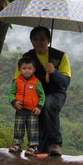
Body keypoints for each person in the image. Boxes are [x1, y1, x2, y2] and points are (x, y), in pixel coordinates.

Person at [15, 26, 71, 156]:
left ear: (49, 40)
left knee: (48, 105)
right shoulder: (27, 57)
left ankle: (55, 143)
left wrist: (54, 72)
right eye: (35, 39)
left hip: (56, 93)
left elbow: (65, 82)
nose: (39, 42)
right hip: (35, 94)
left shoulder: (60, 56)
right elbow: (17, 80)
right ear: (31, 41)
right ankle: (36, 146)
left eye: (42, 39)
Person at [9, 56, 45, 156]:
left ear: (34, 70)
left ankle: (33, 147)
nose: (27, 71)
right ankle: (17, 145)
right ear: (20, 69)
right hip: (20, 110)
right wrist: (14, 102)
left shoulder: (37, 82)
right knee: (18, 128)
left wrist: (39, 107)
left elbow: (42, 96)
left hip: (32, 111)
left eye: (29, 68)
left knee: (32, 129)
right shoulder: (17, 81)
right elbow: (11, 93)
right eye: (24, 68)